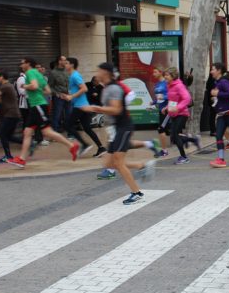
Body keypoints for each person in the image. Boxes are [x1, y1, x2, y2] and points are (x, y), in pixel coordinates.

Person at [82, 63, 155, 204]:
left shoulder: (114, 88)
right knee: (109, 163)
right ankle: (142, 166)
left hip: (123, 127)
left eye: (99, 70)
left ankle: (137, 193)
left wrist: (96, 108)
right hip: (115, 129)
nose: (97, 73)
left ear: (106, 73)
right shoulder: (107, 88)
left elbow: (116, 110)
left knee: (118, 162)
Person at [7, 57, 80, 169]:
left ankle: (72, 145)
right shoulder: (39, 74)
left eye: (22, 63)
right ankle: (21, 159)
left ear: (28, 64)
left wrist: (24, 86)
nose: (21, 65)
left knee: (47, 132)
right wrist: (37, 91)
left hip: (37, 105)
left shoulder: (30, 72)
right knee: (27, 132)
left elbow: (34, 86)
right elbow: (48, 91)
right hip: (36, 106)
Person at [61, 57, 106, 158]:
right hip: (83, 105)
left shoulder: (75, 75)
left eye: (67, 63)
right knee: (87, 128)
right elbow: (77, 89)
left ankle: (85, 145)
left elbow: (84, 88)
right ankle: (101, 148)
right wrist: (67, 95)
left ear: (72, 65)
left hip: (80, 106)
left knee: (67, 125)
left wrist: (71, 96)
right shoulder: (72, 75)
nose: (65, 65)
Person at [162, 67, 199, 164]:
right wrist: (166, 107)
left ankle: (184, 157)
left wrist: (177, 107)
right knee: (174, 137)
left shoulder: (179, 85)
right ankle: (193, 140)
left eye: (167, 75)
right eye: (164, 75)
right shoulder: (169, 85)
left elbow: (187, 99)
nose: (165, 77)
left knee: (175, 136)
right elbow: (172, 100)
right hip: (174, 114)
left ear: (173, 76)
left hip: (182, 113)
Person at [0, 71, 22, 163]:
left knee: (3, 135)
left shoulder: (5, 86)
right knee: (8, 136)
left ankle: (8, 156)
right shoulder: (7, 87)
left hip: (11, 114)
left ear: (2, 77)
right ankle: (28, 144)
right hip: (12, 114)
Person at [48, 55, 70, 133]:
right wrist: (57, 94)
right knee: (57, 115)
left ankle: (70, 132)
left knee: (69, 115)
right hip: (59, 97)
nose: (65, 62)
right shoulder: (53, 73)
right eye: (64, 60)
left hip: (68, 96)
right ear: (59, 61)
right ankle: (55, 132)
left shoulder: (67, 71)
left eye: (66, 60)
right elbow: (49, 86)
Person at [152, 67, 170, 157]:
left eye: (155, 72)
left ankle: (164, 151)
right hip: (161, 110)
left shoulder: (166, 83)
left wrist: (164, 98)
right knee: (171, 131)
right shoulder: (157, 84)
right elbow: (159, 97)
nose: (153, 74)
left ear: (160, 72)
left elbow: (171, 95)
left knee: (161, 129)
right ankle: (192, 139)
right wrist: (154, 102)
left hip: (167, 110)